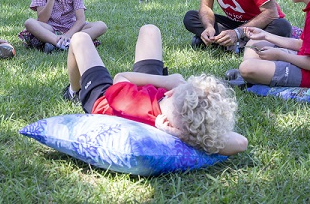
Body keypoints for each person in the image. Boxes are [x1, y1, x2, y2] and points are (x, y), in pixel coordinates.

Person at [62, 25, 248, 156]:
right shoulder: (184, 128)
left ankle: (73, 90)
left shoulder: (133, 105)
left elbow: (120, 78)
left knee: (80, 39)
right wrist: (184, 134)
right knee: (150, 30)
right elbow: (241, 143)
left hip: (105, 99)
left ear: (170, 92)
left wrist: (166, 80)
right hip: (149, 94)